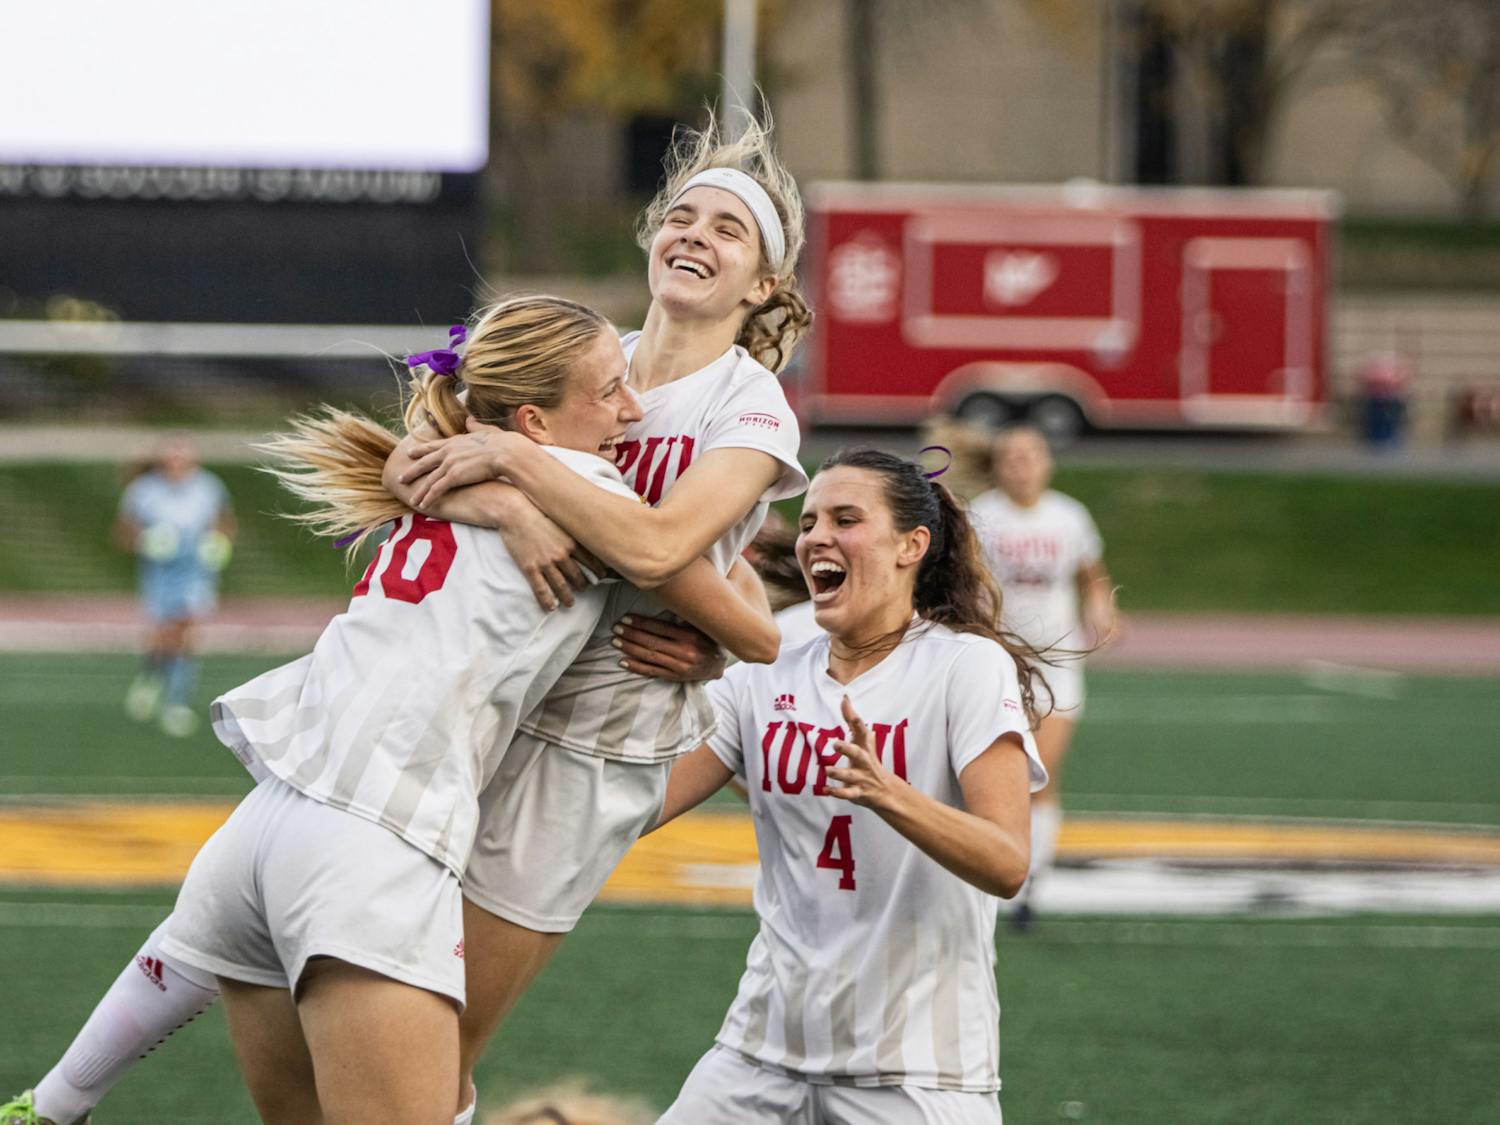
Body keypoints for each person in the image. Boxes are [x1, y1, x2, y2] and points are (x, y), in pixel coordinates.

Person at [4, 108, 812, 1125]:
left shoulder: (746, 405)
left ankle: (53, 1104)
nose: (696, 234)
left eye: (728, 231)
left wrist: (516, 470)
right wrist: (497, 493)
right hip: (474, 724)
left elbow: (658, 550)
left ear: (764, 286)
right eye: (683, 215)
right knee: (331, 1047)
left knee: (427, 1054)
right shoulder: (590, 351)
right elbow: (416, 454)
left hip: (580, 752)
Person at [648, 448, 1048, 1124]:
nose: (815, 538)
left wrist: (888, 792)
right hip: (761, 1051)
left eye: (846, 518)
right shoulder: (763, 671)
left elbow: (1008, 862)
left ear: (911, 545)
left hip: (917, 1069)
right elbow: (638, 804)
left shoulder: (966, 666)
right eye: (807, 523)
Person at [967, 425, 1116, 930]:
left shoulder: (1069, 515)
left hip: (1057, 663)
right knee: (994, 774)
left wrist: (1102, 607)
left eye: (1030, 454)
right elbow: (964, 583)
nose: (1021, 464)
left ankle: (1031, 881)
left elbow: (1091, 574)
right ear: (998, 465)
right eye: (1010, 456)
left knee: (1040, 776)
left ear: (1047, 462)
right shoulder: (980, 515)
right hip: (999, 661)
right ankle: (991, 870)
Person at [114, 434, 235, 737]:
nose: (178, 465)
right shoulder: (144, 491)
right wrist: (146, 541)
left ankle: (176, 702)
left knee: (186, 629)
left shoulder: (209, 486)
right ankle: (151, 674)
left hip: (196, 572)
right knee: (163, 634)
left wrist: (218, 544)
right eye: (173, 460)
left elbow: (225, 523)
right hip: (159, 574)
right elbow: (123, 532)